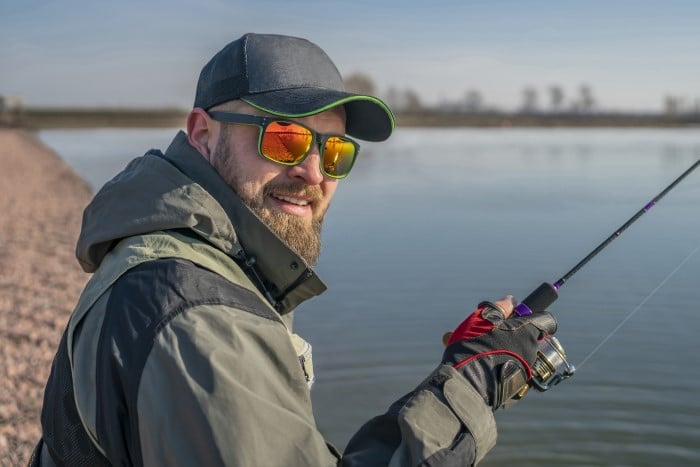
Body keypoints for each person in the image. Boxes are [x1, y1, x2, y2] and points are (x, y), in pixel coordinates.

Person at [32, 33, 558, 466]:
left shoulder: (174, 260)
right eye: (283, 138)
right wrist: (470, 386)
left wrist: (464, 370)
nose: (312, 172)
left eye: (334, 150)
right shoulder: (197, 318)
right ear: (201, 132)